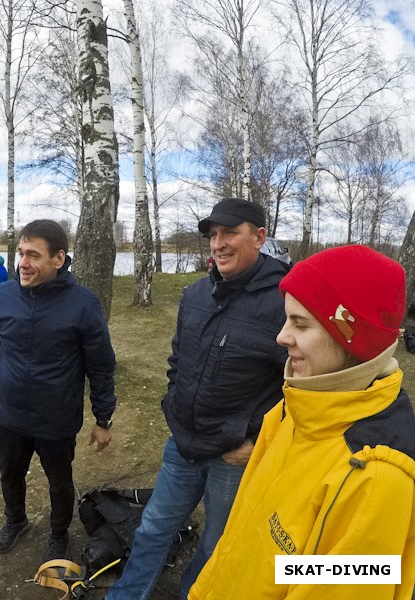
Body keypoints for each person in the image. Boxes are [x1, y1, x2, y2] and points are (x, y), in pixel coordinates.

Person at [190, 244, 415, 600]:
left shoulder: (374, 479)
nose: (281, 337)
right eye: (286, 319)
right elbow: (259, 548)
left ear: (351, 338)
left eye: (300, 323)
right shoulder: (294, 409)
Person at [107, 198, 289, 600]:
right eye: (213, 235)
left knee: (217, 542)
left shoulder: (285, 302)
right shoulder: (195, 294)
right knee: (153, 527)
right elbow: (179, 359)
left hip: (233, 456)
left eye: (230, 233)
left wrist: (258, 441)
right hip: (184, 443)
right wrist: (175, 404)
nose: (218, 243)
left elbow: (298, 388)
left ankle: (194, 593)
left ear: (259, 237)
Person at [0, 219, 117, 562]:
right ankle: (16, 520)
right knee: (9, 474)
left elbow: (100, 366)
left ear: (58, 259)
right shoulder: (5, 294)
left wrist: (103, 419)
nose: (23, 263)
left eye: (33, 255)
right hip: (8, 414)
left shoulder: (83, 303)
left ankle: (58, 532)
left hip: (56, 418)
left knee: (59, 481)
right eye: (21, 253)